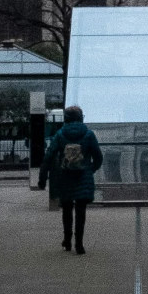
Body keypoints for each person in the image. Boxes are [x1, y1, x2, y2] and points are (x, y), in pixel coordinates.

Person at [42, 104, 101, 253]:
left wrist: (42, 178)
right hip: (83, 176)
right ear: (81, 118)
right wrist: (90, 170)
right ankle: (79, 244)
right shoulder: (89, 134)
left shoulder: (60, 134)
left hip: (65, 176)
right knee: (81, 211)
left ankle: (67, 240)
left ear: (66, 119)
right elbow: (98, 157)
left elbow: (49, 156)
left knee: (67, 210)